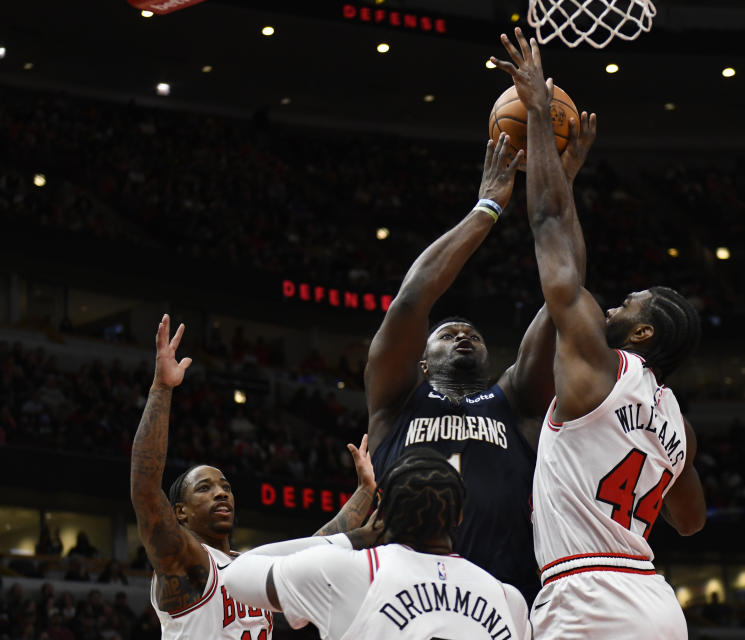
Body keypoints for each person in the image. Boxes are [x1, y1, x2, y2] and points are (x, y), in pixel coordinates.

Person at [492, 28, 707, 639]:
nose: (610, 303)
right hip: (656, 601)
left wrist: (537, 113)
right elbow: (689, 522)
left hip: (586, 595)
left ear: (640, 332)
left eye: (626, 303)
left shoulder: (599, 366)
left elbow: (549, 223)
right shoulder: (677, 422)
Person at [366, 123, 595, 603]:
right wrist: (487, 207)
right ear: (421, 363)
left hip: (504, 598)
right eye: (447, 335)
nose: (463, 336)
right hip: (404, 595)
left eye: (471, 334)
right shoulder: (397, 398)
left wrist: (561, 188)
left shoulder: (514, 401)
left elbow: (565, 296)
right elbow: (411, 301)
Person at [130, 314, 377, 639]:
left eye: (226, 487)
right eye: (204, 488)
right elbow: (146, 490)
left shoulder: (254, 564)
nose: (221, 493)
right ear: (180, 512)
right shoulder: (186, 563)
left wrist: (365, 489)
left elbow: (321, 545)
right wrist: (161, 389)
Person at [222, 448, 532, 639]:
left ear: (382, 514)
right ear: (460, 515)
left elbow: (237, 573)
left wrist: (352, 538)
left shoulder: (349, 572)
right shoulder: (509, 599)